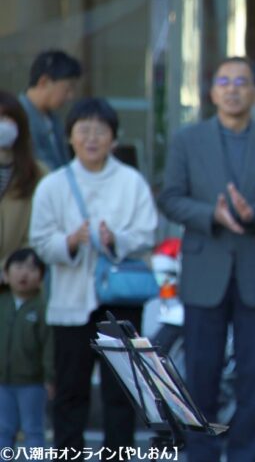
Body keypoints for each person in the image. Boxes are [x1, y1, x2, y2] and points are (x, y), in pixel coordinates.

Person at [158, 56, 255, 462]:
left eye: (242, 81)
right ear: (212, 91)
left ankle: (245, 455)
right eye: (224, 81)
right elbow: (170, 197)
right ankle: (201, 453)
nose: (233, 88)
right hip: (206, 268)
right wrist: (210, 215)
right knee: (201, 373)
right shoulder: (188, 140)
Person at [29, 98, 158, 459]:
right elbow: (40, 241)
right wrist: (70, 241)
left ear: (114, 139)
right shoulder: (53, 185)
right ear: (69, 137)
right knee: (70, 391)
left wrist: (116, 239)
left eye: (100, 131)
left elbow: (148, 233)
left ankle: (118, 454)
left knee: (121, 392)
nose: (91, 138)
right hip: (70, 305)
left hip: (120, 302)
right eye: (83, 130)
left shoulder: (131, 181)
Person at [0, 248, 53, 450]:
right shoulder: (3, 303)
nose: (24, 274)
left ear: (41, 276)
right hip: (3, 381)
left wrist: (50, 377)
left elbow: (49, 345)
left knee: (33, 429)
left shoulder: (42, 306)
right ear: (6, 274)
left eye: (31, 268)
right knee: (3, 429)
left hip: (32, 382)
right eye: (18, 267)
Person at [0, 92, 46, 269]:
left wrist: (12, 264)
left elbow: (41, 231)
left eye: (6, 118)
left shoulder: (39, 173)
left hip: (20, 279)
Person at [18, 50, 82, 170]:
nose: (70, 96)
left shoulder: (54, 118)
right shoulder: (17, 116)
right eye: (68, 89)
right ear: (44, 82)